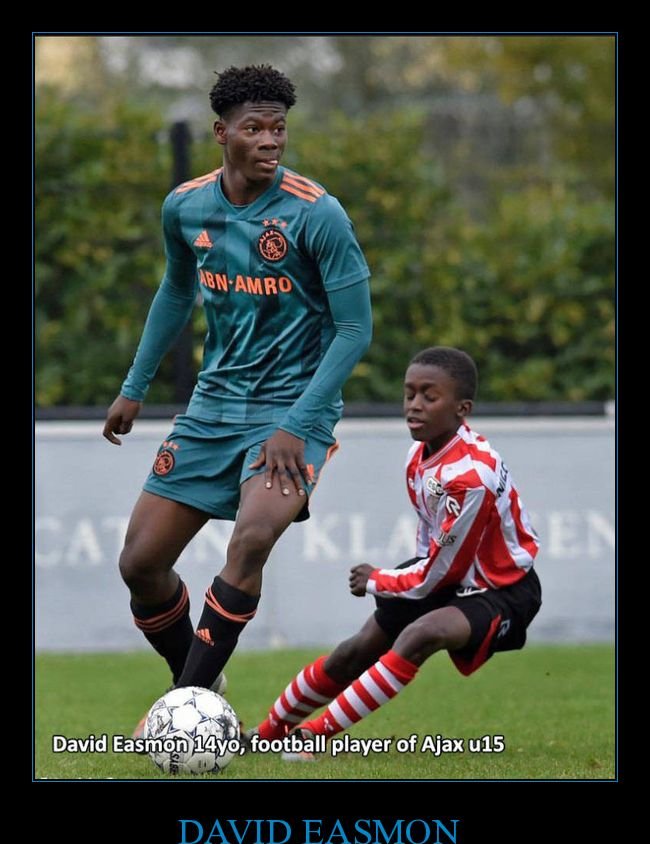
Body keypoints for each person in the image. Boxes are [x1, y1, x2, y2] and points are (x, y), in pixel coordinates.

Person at [102, 64, 372, 733]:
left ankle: (185, 709)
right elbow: (174, 291)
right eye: (254, 128)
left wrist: (297, 423)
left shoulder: (317, 214)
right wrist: (134, 388)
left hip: (292, 413)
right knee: (139, 564)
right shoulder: (186, 205)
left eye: (278, 127)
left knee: (251, 538)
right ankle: (200, 677)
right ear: (222, 133)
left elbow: (355, 329)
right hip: (212, 409)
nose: (270, 140)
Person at [243, 346, 541, 753]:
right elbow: (431, 543)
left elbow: (443, 573)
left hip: (502, 589)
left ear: (462, 408)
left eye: (429, 396)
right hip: (444, 572)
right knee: (358, 649)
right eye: (409, 394)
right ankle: (265, 736)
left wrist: (379, 580)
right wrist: (397, 584)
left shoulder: (471, 476)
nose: (414, 406)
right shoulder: (418, 454)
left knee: (423, 633)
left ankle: (314, 737)